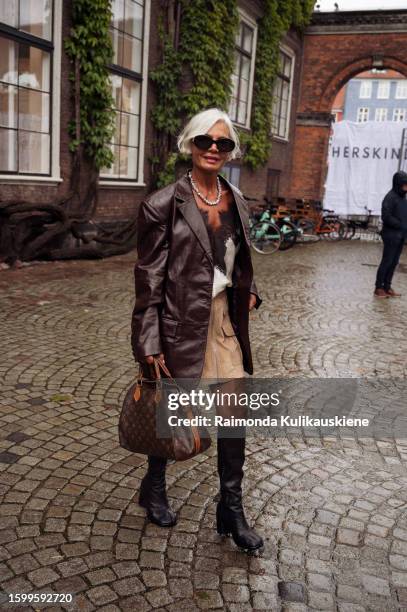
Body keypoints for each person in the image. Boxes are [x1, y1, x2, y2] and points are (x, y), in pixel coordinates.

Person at [131, 108, 263, 552]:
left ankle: (232, 507)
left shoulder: (236, 199)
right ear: (189, 143)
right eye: (205, 140)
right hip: (179, 323)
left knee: (233, 412)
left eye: (223, 143)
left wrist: (251, 291)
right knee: (173, 412)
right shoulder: (162, 204)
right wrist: (148, 341)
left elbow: (239, 257)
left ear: (230, 151)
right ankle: (154, 485)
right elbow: (148, 279)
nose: (213, 149)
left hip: (223, 320)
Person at [374, 171, 407, 298]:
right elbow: (386, 217)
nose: (406, 187)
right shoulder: (390, 197)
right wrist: (400, 224)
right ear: (399, 184)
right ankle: (378, 288)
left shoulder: (402, 198)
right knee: (387, 261)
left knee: (394, 262)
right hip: (391, 235)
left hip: (400, 235)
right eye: (404, 184)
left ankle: (387, 286)